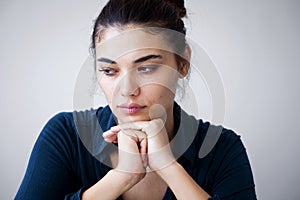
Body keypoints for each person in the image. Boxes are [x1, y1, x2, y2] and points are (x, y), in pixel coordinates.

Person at [15, 0, 257, 199]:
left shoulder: (221, 148)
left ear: (182, 62)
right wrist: (121, 177)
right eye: (110, 71)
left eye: (147, 68)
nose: (127, 90)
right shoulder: (66, 136)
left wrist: (169, 167)